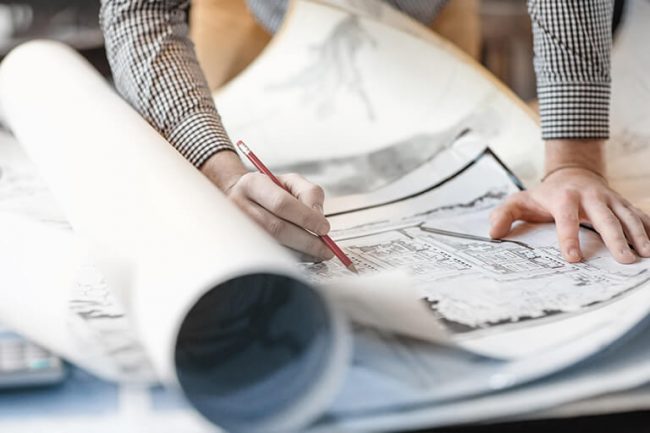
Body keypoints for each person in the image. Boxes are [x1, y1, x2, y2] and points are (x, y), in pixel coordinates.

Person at [99, 0, 650, 264]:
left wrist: (573, 160)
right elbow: (139, 12)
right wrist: (220, 172)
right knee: (245, 205)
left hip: (423, 16)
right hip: (249, 14)